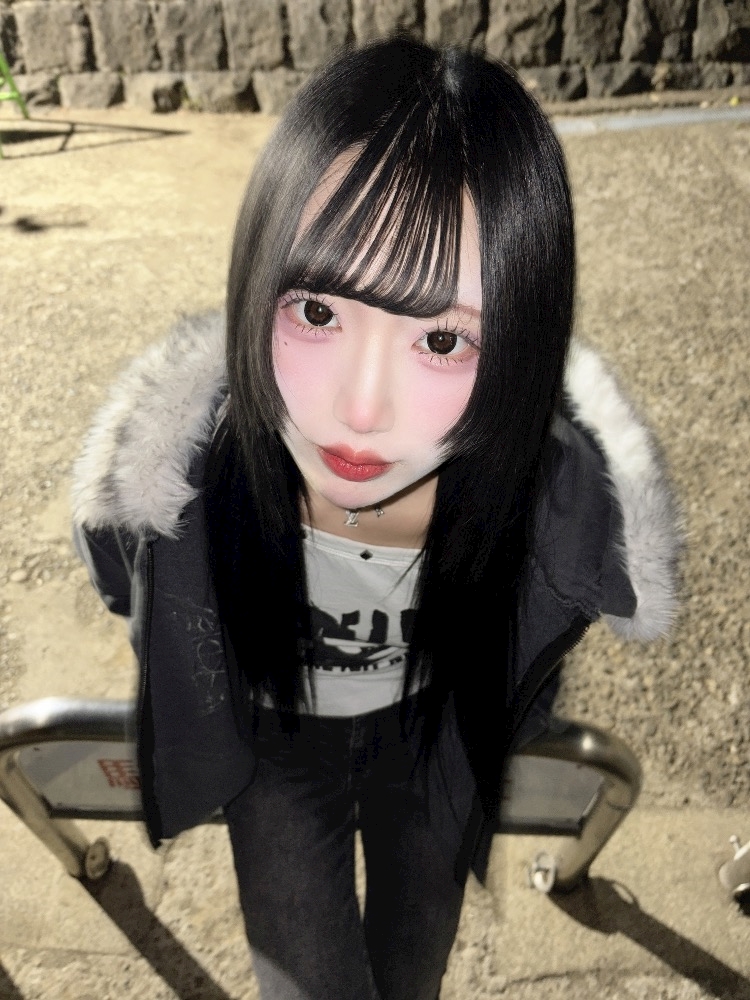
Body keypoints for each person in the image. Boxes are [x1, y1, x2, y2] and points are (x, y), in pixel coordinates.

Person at [72, 38, 680, 1000]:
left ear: (523, 343)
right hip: (273, 742)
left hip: (438, 736)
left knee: (412, 972)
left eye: (441, 338)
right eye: (318, 312)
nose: (360, 411)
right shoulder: (181, 484)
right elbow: (125, 572)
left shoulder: (548, 506)